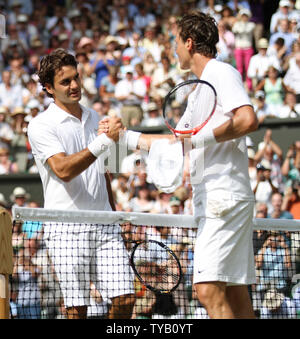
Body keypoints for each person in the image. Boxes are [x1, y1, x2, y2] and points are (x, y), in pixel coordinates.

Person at [100, 10, 259, 319]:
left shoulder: (221, 73)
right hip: (219, 199)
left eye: (175, 42)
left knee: (208, 289)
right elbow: (176, 143)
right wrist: (124, 137)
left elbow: (247, 119)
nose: (173, 49)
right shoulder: (198, 90)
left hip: (222, 198)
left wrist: (201, 140)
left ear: (189, 43)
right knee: (235, 293)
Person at [27, 48, 136, 319]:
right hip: (65, 229)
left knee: (126, 299)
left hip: (104, 224)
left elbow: (103, 172)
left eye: (76, 78)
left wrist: (115, 213)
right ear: (49, 88)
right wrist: (101, 143)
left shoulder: (96, 118)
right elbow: (63, 170)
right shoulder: (40, 125)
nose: (75, 85)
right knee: (77, 310)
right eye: (65, 81)